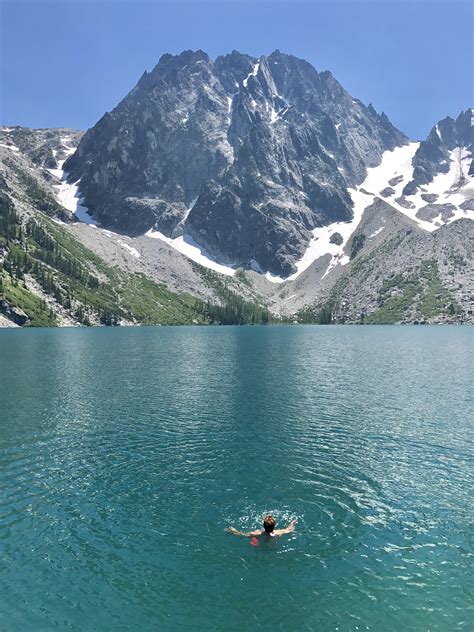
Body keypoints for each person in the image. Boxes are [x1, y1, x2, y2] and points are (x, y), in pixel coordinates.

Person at [226, 514, 297, 538]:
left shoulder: (257, 533)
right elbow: (289, 529)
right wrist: (292, 523)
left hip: (260, 542)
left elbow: (242, 534)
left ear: (263, 525)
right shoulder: (278, 532)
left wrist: (233, 530)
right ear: (274, 525)